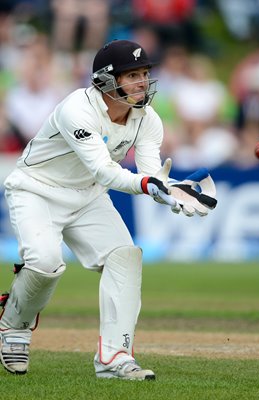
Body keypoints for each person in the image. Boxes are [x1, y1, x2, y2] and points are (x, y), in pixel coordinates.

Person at [0, 39, 217, 380]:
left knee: (125, 257)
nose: (143, 81)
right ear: (105, 80)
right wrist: (148, 185)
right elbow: (105, 170)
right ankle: (13, 323)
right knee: (44, 264)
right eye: (132, 75)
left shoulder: (148, 120)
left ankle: (114, 358)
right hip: (36, 190)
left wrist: (170, 190)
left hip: (88, 196)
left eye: (145, 73)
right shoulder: (77, 109)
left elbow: (149, 174)